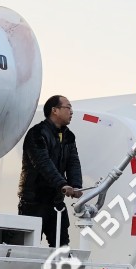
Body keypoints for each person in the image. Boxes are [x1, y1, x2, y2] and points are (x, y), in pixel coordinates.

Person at [17, 95, 83, 247]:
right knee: (28, 248)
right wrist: (62, 184)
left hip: (56, 201)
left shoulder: (69, 136)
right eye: (68, 107)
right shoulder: (37, 133)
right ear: (55, 110)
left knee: (62, 247)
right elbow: (43, 163)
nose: (71, 112)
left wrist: (76, 185)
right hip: (33, 202)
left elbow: (73, 162)